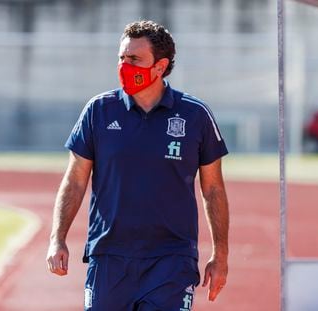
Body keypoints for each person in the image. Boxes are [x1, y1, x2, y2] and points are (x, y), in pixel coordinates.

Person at [46, 20, 229, 311]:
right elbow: (76, 179)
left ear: (160, 66)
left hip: (172, 259)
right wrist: (58, 238)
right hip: (109, 256)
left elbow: (213, 189)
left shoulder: (195, 115)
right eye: (121, 58)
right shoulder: (99, 110)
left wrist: (220, 256)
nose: (124, 65)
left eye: (134, 59)